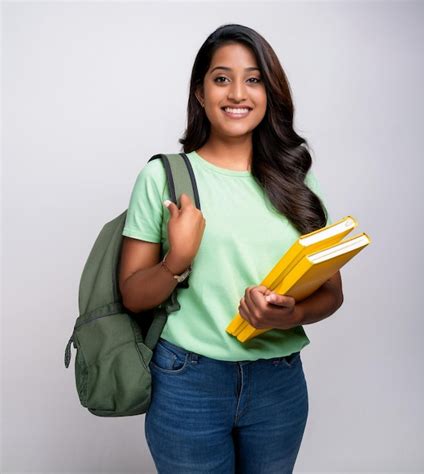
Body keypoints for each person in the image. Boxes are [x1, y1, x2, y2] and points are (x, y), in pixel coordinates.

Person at [119, 23, 344, 474]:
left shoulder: (297, 181)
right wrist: (176, 261)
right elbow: (132, 295)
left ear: (270, 92)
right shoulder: (165, 177)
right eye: (222, 78)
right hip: (188, 382)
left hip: (279, 382)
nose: (237, 92)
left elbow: (332, 293)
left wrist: (291, 315)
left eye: (254, 79)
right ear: (200, 93)